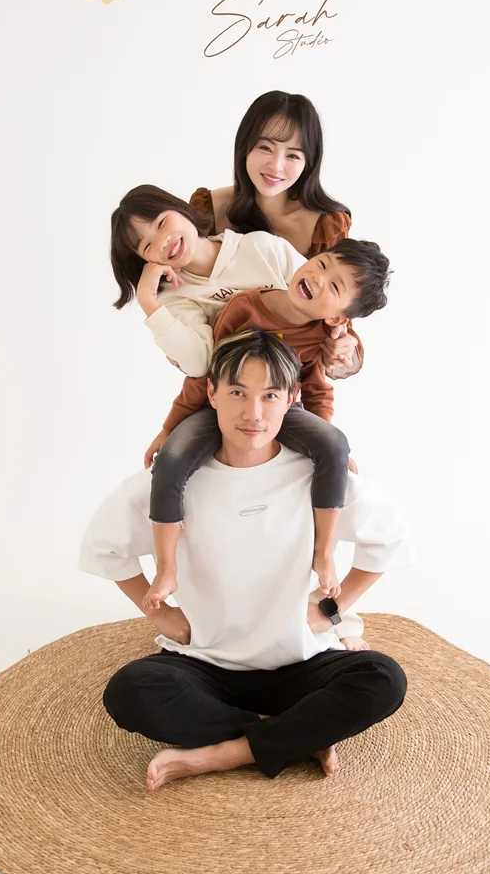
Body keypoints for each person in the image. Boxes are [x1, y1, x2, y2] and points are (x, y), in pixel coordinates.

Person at [79, 330, 413, 792]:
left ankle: (224, 753)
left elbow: (389, 539)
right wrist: (162, 615)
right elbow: (105, 546)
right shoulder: (171, 481)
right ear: (212, 393)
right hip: (206, 661)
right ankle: (296, 736)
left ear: (292, 399)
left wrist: (331, 611)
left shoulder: (318, 476)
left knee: (383, 678)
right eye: (237, 393)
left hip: (300, 659)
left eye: (270, 396)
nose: (253, 413)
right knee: (129, 692)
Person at [142, 241, 390, 611]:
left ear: (339, 319)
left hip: (278, 413)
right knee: (172, 458)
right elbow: (208, 371)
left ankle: (323, 553)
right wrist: (169, 426)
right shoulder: (244, 307)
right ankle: (166, 568)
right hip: (220, 407)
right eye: (322, 264)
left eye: (334, 286)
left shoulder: (323, 335)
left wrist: (325, 442)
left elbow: (317, 388)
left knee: (335, 444)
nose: (318, 279)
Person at [110, 183, 359, 377]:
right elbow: (199, 364)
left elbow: (328, 304)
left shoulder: (261, 247)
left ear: (179, 208)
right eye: (147, 246)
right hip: (226, 397)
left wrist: (342, 345)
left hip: (289, 389)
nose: (162, 241)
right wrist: (148, 302)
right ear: (146, 261)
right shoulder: (175, 297)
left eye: (162, 223)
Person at [189, 89, 351, 259]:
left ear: (308, 163)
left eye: (293, 155)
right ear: (245, 146)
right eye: (265, 148)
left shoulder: (326, 227)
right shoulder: (209, 209)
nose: (276, 166)